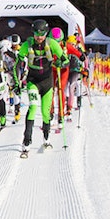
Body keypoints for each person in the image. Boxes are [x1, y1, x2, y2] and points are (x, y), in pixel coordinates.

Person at [16, 19, 66, 155]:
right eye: (37, 34)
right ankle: (26, 142)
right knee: (32, 107)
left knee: (45, 113)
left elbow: (65, 59)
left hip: (47, 82)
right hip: (33, 81)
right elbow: (17, 64)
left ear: (46, 33)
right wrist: (17, 82)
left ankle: (46, 139)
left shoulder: (52, 44)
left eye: (42, 34)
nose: (39, 37)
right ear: (33, 33)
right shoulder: (27, 45)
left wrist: (63, 63)